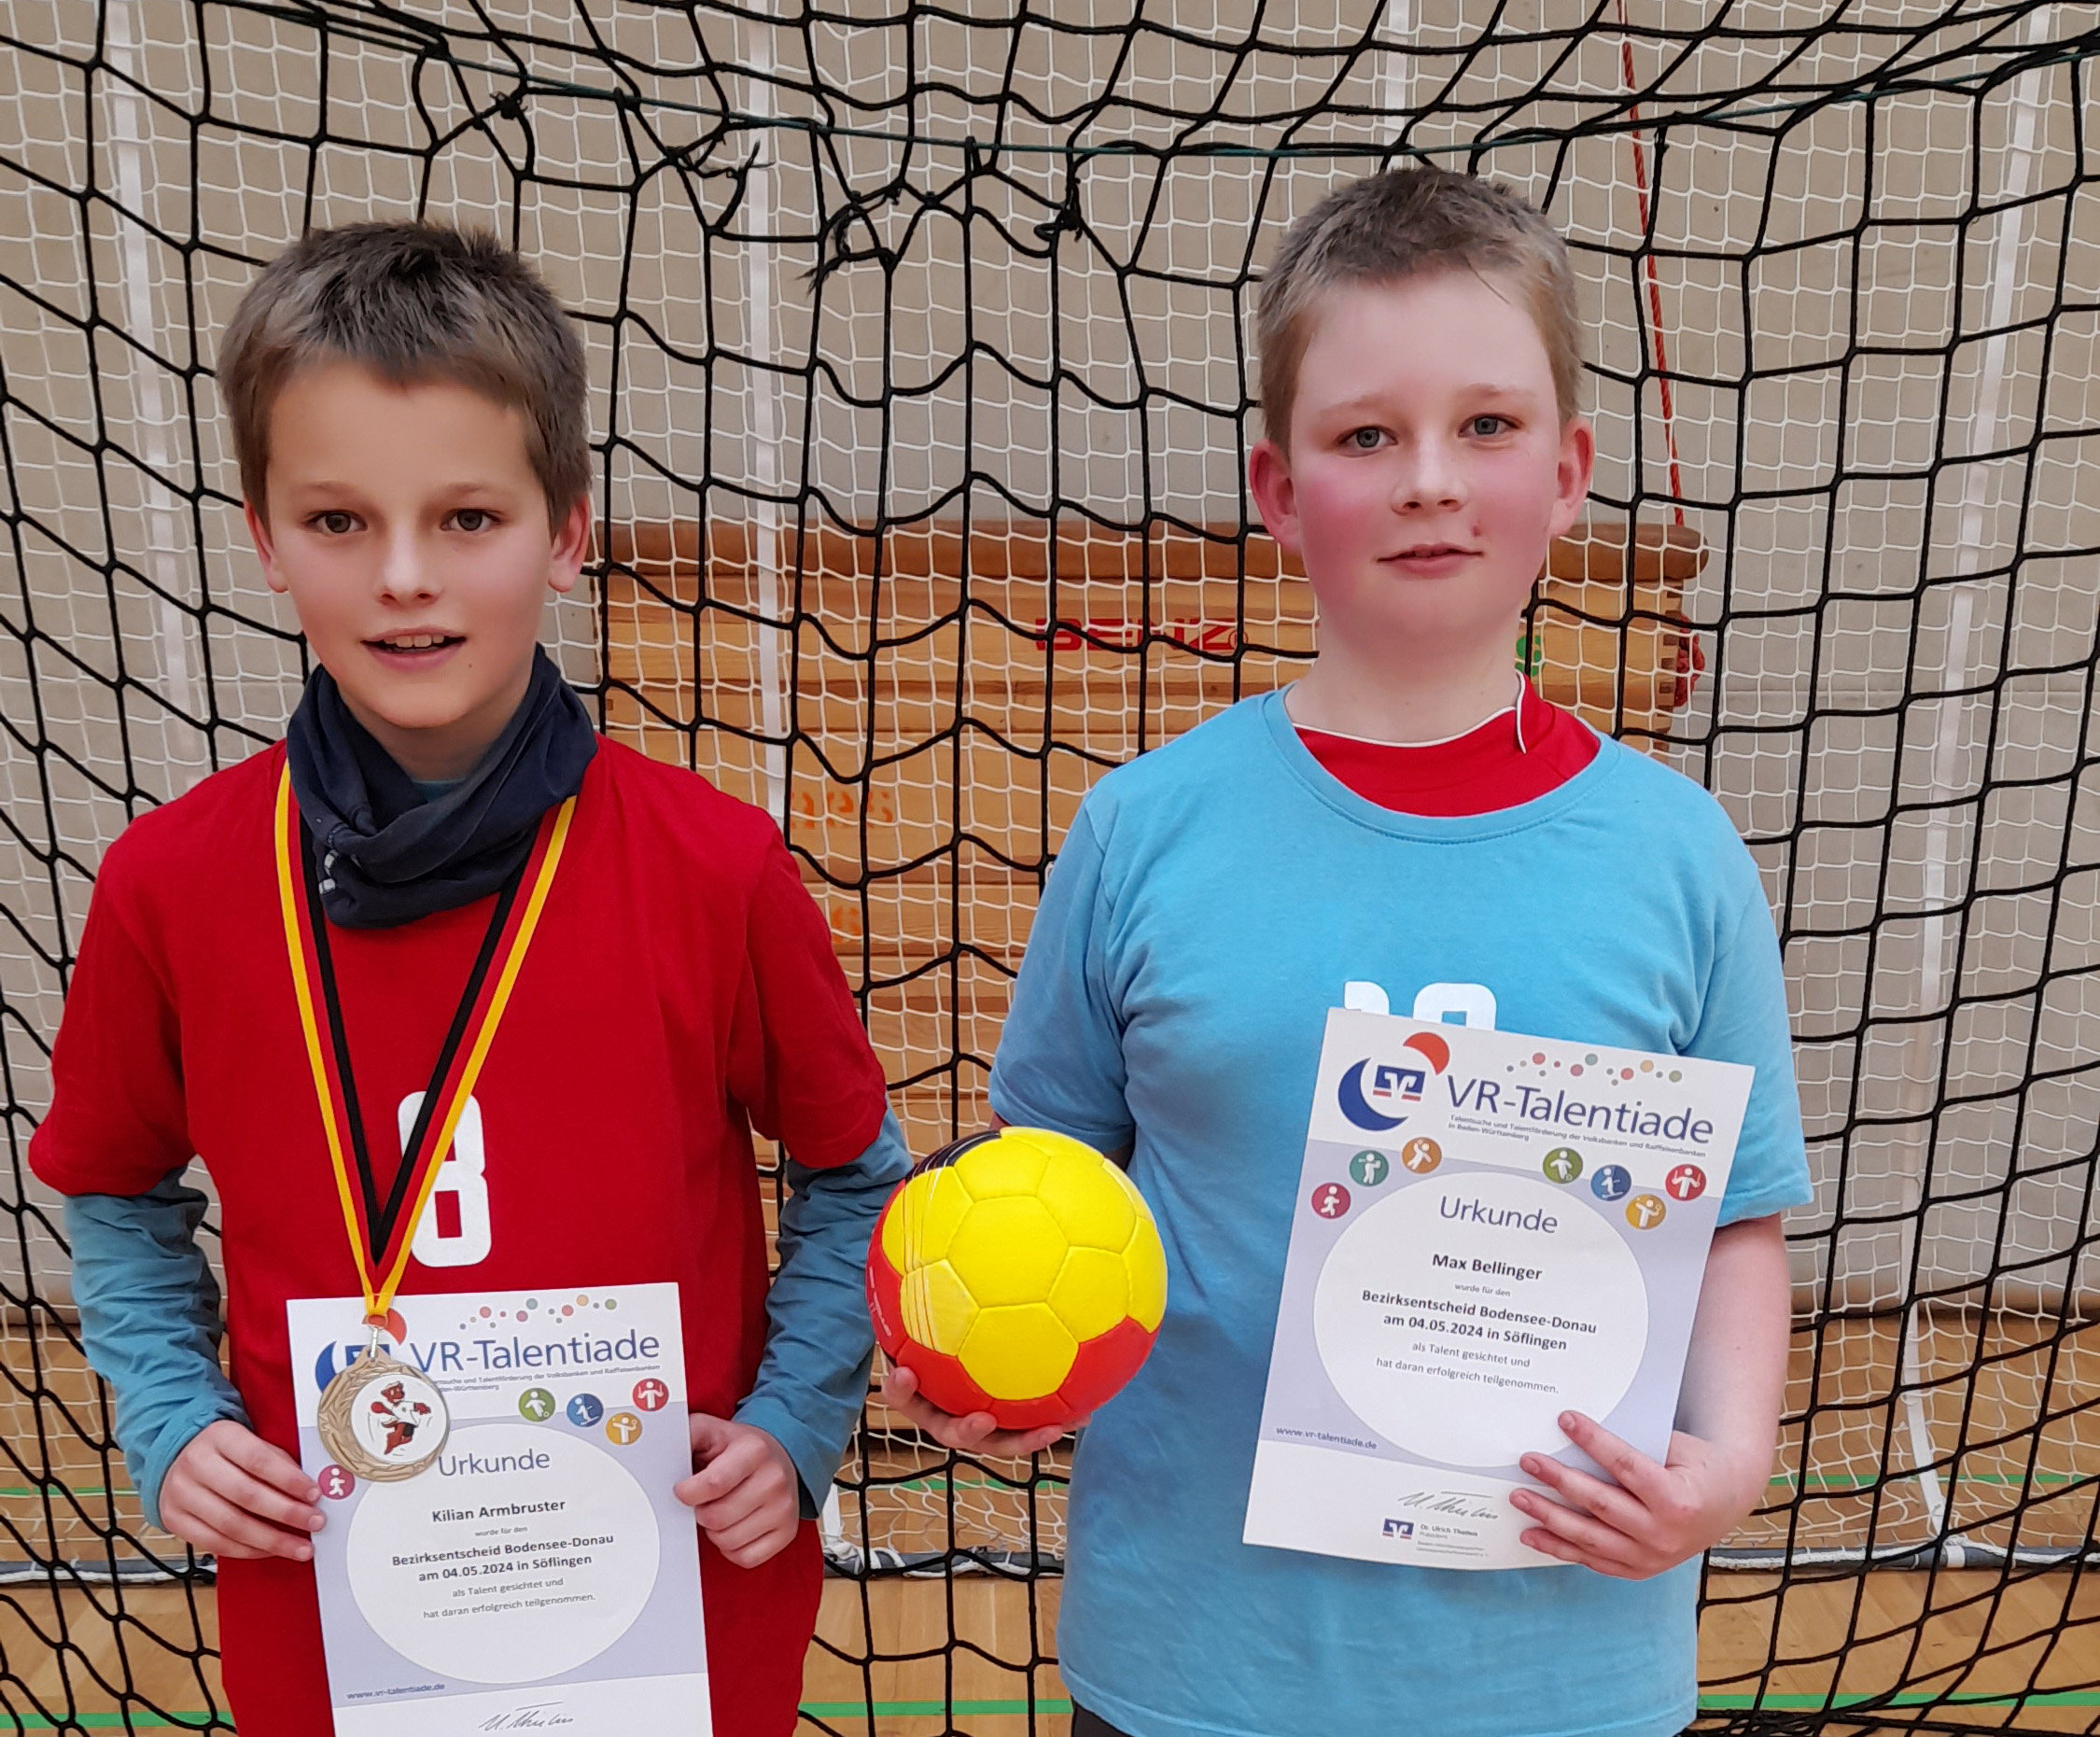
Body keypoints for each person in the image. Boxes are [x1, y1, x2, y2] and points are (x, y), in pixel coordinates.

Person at [883, 167, 1812, 1737]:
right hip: (1196, 1672)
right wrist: (986, 1381)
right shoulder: (1143, 832)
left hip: (1560, 1675)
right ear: (1274, 482)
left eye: (1487, 427)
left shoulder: (1679, 857)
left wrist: (1720, 1469)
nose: (1428, 481)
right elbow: (1043, 1185)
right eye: (1364, 434)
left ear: (1573, 470)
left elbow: (1733, 1228)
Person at [30, 222, 908, 1736]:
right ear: (261, 532)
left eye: (468, 516)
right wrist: (171, 1421)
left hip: (672, 1605)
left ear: (566, 530)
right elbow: (112, 1189)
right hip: (332, 1613)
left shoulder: (714, 867)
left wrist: (792, 1421)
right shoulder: (170, 883)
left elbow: (852, 1174)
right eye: (338, 520)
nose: (407, 579)